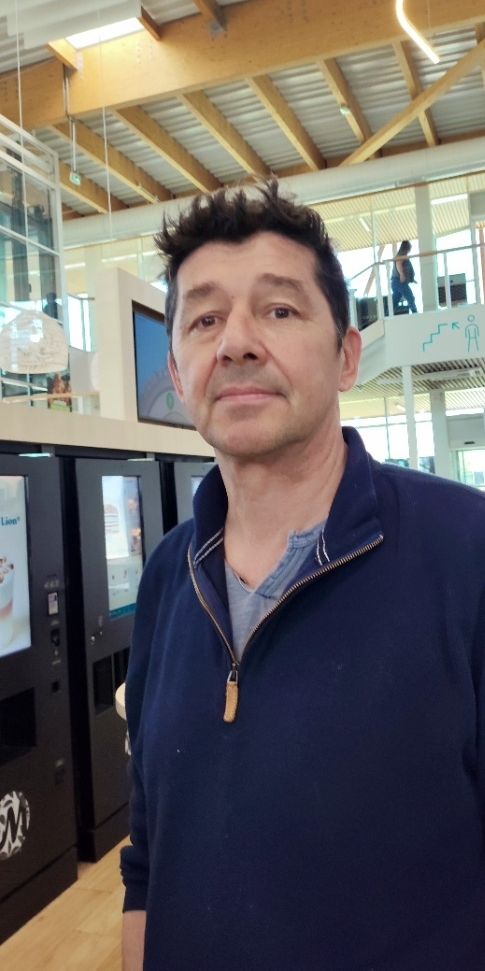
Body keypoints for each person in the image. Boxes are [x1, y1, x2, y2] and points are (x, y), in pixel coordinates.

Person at [120, 180, 485, 971]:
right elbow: (148, 855)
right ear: (178, 375)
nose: (236, 343)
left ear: (346, 355)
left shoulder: (466, 550)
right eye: (204, 319)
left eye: (279, 310)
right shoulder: (167, 578)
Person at [391, 238, 418, 313]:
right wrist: (402, 274)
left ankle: (388, 314)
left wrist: (411, 279)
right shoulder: (402, 255)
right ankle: (415, 313)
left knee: (395, 300)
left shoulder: (402, 255)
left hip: (396, 281)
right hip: (399, 281)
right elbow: (398, 263)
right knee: (410, 297)